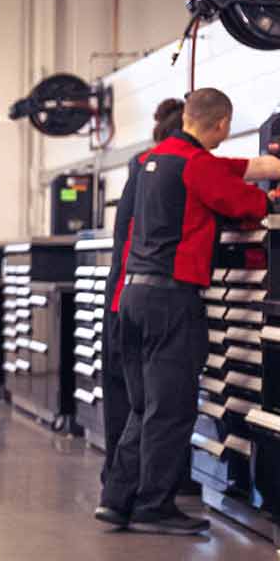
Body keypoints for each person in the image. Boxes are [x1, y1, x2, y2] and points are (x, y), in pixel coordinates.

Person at [97, 88, 280, 533]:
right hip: (171, 300)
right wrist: (275, 200)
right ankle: (154, 506)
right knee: (172, 407)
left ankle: (117, 499)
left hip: (133, 299)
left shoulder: (155, 159)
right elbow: (249, 202)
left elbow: (256, 168)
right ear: (221, 124)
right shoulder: (197, 165)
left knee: (143, 407)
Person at [96, 99, 182, 503]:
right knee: (141, 402)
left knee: (127, 399)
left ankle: (118, 485)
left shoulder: (142, 165)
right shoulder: (162, 168)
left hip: (122, 297)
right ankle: (130, 490)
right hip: (140, 297)